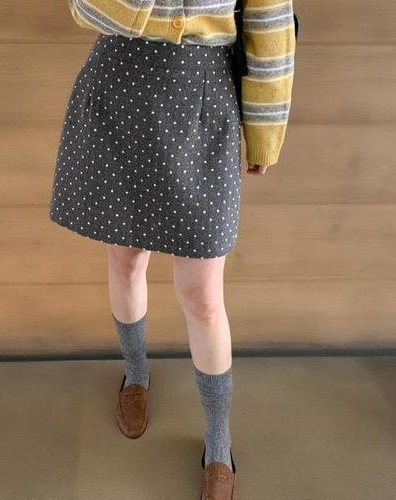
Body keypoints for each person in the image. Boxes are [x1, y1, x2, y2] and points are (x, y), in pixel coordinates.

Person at [49, 1, 296, 498]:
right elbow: (82, 6)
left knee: (202, 296)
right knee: (125, 260)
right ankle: (135, 376)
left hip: (203, 98)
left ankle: (219, 444)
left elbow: (269, 24)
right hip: (119, 85)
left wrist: (265, 132)